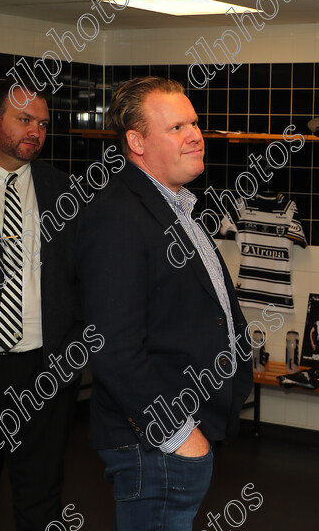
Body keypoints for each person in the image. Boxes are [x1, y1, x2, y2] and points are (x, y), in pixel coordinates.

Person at [76, 76, 253, 531]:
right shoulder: (119, 216)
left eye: (193, 123)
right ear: (136, 141)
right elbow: (113, 348)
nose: (195, 134)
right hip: (153, 446)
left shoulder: (177, 207)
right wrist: (178, 434)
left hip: (185, 433)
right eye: (176, 127)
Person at [0, 79, 82, 530]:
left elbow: (81, 279)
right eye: (24, 120)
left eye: (42, 123)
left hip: (44, 370)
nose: (35, 131)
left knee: (41, 496)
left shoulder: (63, 189)